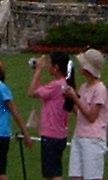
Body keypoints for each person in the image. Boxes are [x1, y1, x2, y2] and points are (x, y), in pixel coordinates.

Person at [29, 50, 75, 180]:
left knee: (54, 175)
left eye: (49, 64)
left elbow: (32, 92)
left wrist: (38, 70)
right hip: (60, 134)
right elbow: (39, 92)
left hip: (51, 135)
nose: (47, 66)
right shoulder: (64, 84)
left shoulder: (56, 85)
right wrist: (37, 73)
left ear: (56, 68)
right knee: (51, 173)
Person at [65, 49, 108, 180]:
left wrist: (75, 98)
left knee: (91, 177)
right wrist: (69, 100)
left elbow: (91, 117)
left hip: (93, 139)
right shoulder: (84, 87)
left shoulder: (100, 89)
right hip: (79, 135)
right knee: (75, 176)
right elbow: (80, 113)